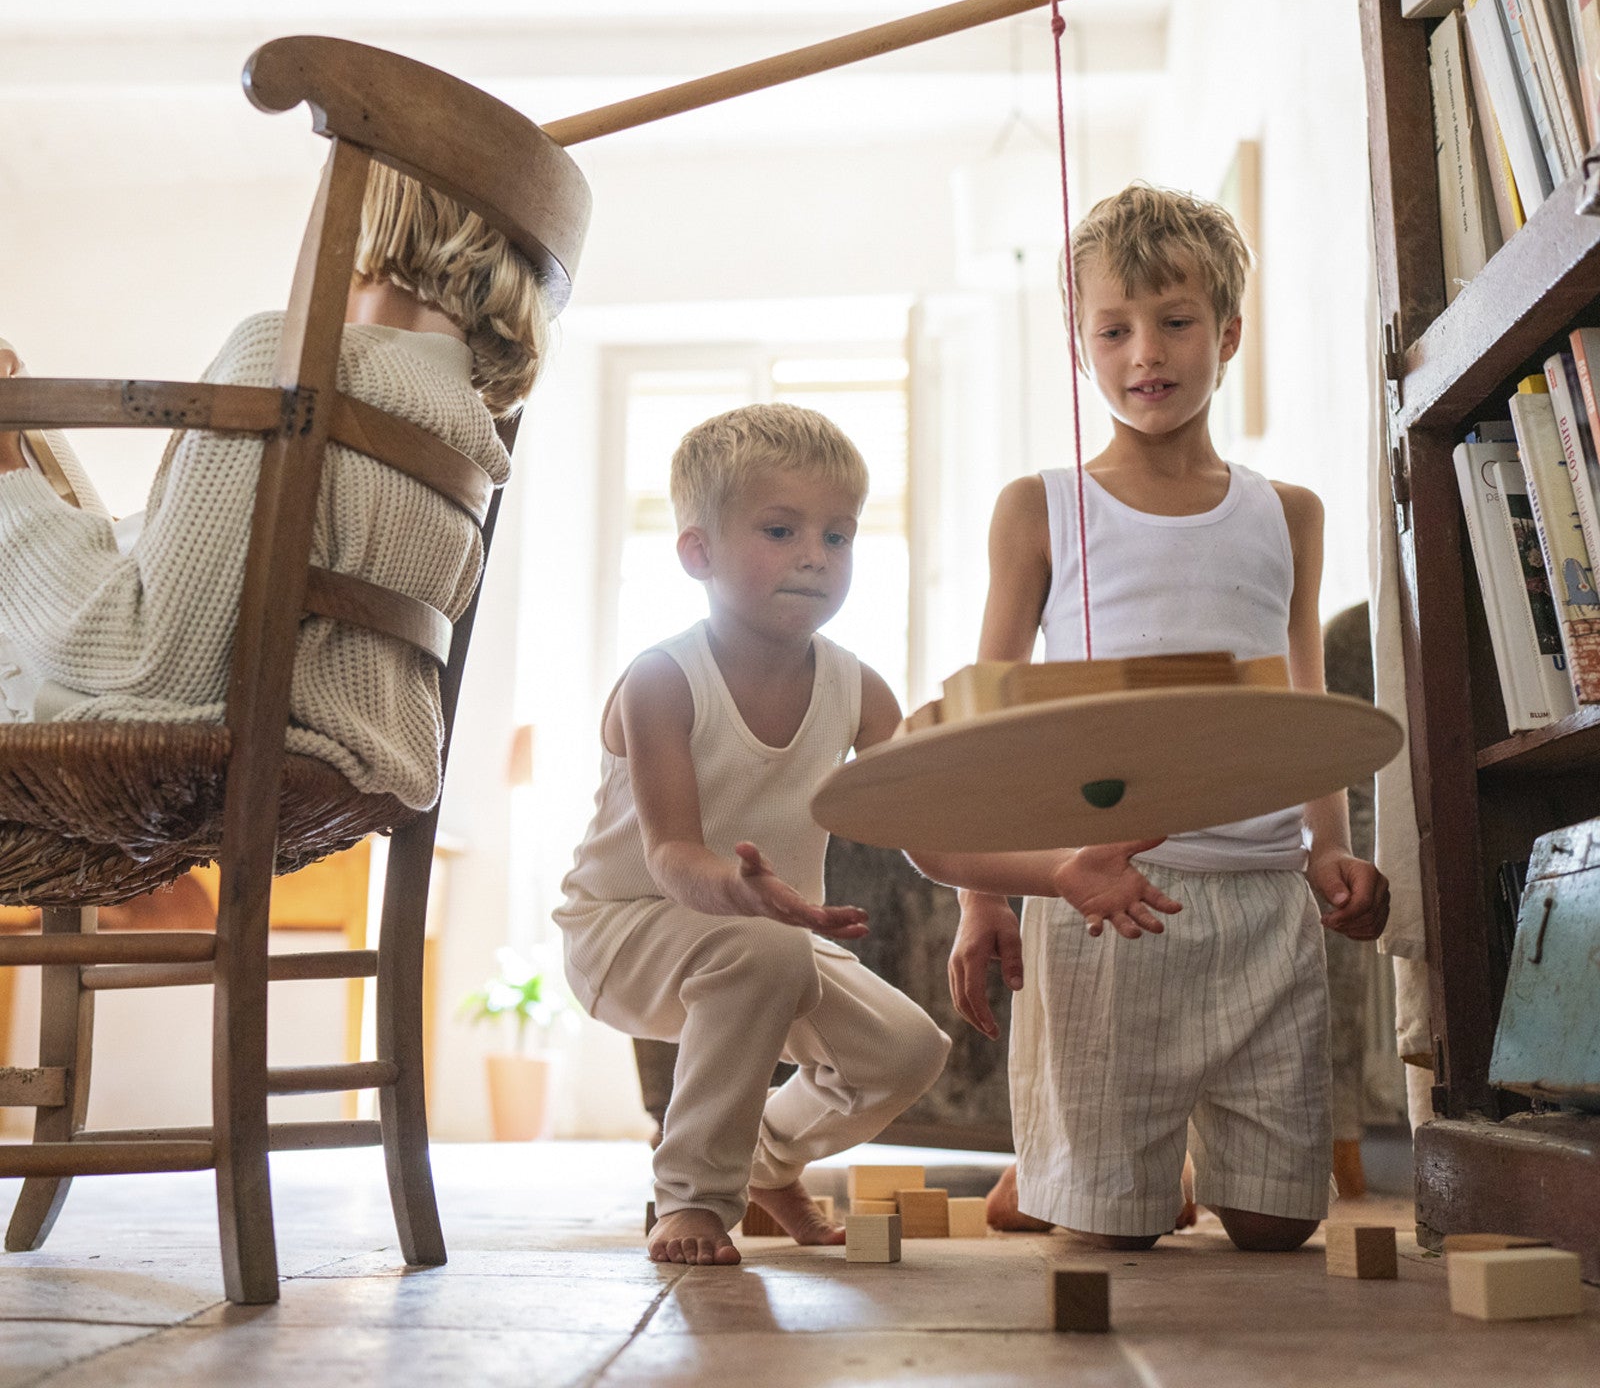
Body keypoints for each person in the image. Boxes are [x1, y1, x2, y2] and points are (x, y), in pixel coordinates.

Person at [915, 183, 1390, 1252]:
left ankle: (1100, 1171)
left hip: (1264, 901)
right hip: (1105, 901)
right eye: (1113, 329)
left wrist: (1328, 847)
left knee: (1275, 1227)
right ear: (1079, 344)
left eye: (1175, 321)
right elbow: (991, 720)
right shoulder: (1039, 507)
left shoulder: (1289, 514)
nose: (1146, 354)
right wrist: (983, 898)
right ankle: (1059, 1177)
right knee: (1111, 1236)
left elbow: (1304, 701)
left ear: (1228, 332)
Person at [0, 161, 546, 811]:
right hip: (339, 768)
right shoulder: (461, 435)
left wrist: (7, 476)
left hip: (161, 748)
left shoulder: (284, 363)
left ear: (365, 211)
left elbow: (153, 665)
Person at [553, 403, 950, 1267]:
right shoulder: (662, 679)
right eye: (781, 530)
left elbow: (935, 836)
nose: (816, 555)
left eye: (838, 535)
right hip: (623, 933)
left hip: (769, 934)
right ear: (697, 553)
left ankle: (764, 1161)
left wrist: (1060, 873)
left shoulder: (860, 689)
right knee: (762, 948)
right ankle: (692, 1198)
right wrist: (740, 890)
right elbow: (670, 854)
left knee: (906, 1050)